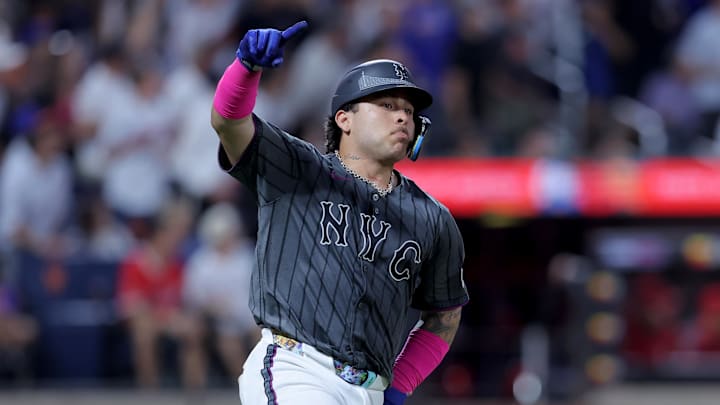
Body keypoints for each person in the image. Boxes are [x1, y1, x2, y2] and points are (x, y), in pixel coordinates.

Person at [210, 20, 469, 405]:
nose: (402, 117)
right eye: (386, 105)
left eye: (409, 111)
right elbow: (229, 123)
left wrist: (399, 386)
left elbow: (444, 317)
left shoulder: (432, 219)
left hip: (369, 391)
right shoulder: (298, 167)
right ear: (344, 119)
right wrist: (245, 69)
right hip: (297, 370)